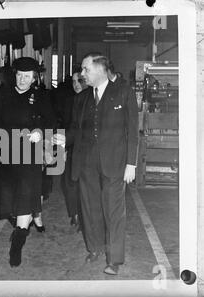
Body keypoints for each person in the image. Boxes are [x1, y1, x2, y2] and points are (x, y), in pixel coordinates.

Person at [53, 53, 138, 275]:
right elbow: (75, 129)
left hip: (115, 163)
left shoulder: (123, 92)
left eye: (85, 69)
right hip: (87, 163)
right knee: (90, 209)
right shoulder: (81, 99)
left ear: (100, 69)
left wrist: (132, 163)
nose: (82, 74)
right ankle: (95, 248)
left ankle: (115, 260)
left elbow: (132, 132)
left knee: (114, 211)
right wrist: (65, 139)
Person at [0, 57, 56, 267]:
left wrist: (39, 132)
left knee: (26, 196)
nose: (22, 79)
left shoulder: (41, 96)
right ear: (14, 75)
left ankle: (17, 243)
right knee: (8, 201)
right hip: (6, 153)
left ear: (34, 77)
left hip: (30, 154)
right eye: (19, 75)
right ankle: (23, 224)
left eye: (27, 76)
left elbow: (51, 121)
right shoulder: (1, 95)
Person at [60, 69, 88, 230]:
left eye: (80, 81)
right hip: (72, 148)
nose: (76, 85)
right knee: (69, 183)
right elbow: (66, 126)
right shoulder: (70, 101)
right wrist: (63, 148)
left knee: (85, 185)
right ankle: (75, 215)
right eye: (73, 82)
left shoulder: (94, 100)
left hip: (88, 151)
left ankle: (85, 216)